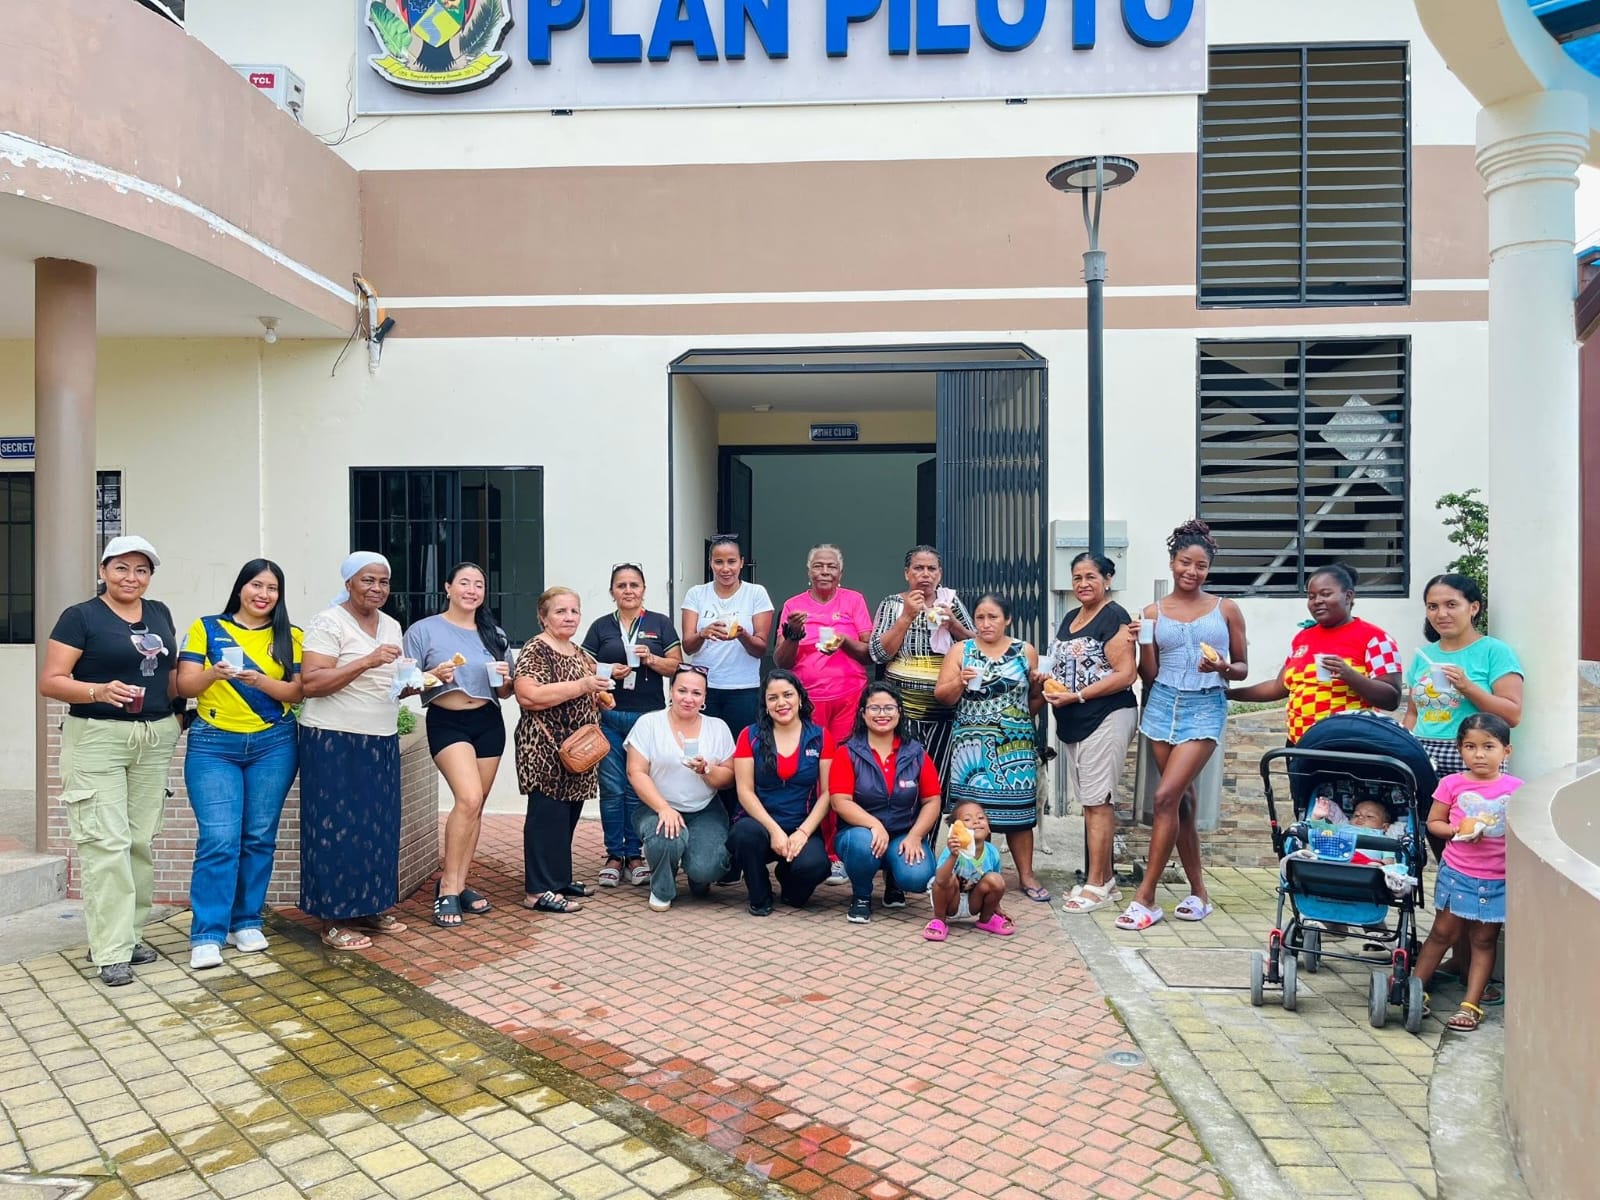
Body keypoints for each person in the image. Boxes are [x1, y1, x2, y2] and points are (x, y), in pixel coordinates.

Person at [39, 536, 182, 987]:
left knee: (139, 840)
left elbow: (171, 675)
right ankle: (111, 950)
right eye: (121, 568)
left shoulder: (159, 613)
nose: (131, 578)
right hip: (97, 736)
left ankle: (130, 935)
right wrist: (97, 691)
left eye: (141, 570)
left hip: (153, 737)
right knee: (106, 842)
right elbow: (51, 681)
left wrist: (178, 716)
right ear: (103, 571)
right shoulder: (80, 616)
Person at [1117, 520, 1248, 932]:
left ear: (1208, 569)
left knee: (1165, 797)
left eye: (1201, 566)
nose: (1192, 571)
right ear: (1172, 563)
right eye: (1185, 563)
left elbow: (1242, 668)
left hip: (1205, 705)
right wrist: (1143, 641)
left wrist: (1223, 666)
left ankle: (1146, 898)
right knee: (1182, 802)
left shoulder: (1226, 609)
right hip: (1161, 705)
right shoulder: (1152, 612)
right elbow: (1149, 675)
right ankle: (1199, 892)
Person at [176, 559, 303, 969]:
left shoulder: (292, 636)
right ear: (240, 588)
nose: (263, 594)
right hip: (213, 744)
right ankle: (207, 933)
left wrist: (259, 681)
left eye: (272, 588)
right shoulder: (206, 627)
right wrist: (214, 674)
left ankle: (246, 920)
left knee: (259, 837)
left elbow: (297, 692)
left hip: (274, 743)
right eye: (256, 585)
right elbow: (184, 684)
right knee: (219, 839)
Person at [298, 552, 413, 951]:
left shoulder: (392, 625)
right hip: (333, 738)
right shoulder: (328, 622)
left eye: (383, 581)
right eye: (368, 580)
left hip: (380, 736)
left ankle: (368, 906)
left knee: (376, 826)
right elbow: (312, 683)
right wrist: (367, 660)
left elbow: (390, 685)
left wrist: (422, 681)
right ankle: (332, 918)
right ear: (348, 583)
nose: (377, 588)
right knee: (334, 828)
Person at [404, 562, 514, 929]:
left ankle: (460, 882)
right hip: (447, 720)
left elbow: (506, 692)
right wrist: (432, 676)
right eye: (464, 583)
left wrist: (505, 681)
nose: (471, 590)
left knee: (475, 807)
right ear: (448, 588)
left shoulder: (494, 634)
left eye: (478, 584)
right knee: (467, 798)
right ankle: (447, 888)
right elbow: (404, 685)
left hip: (488, 722)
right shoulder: (423, 630)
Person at [1041, 553, 1139, 915]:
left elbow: (1126, 673)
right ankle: (1106, 880)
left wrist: (1078, 695)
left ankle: (1096, 885)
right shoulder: (1071, 617)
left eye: (1091, 577)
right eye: (1077, 577)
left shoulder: (1114, 617)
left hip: (1106, 714)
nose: (1083, 584)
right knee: (1091, 802)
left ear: (1108, 579)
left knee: (1098, 802)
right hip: (1073, 718)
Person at [934, 594, 1049, 902]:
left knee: (1019, 816)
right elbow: (942, 696)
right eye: (980, 618)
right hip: (970, 749)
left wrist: (1038, 687)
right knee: (969, 815)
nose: (986, 624)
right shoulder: (962, 650)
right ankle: (964, 873)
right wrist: (959, 681)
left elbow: (1033, 702)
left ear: (1007, 619)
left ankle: (1026, 875)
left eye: (993, 617)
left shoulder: (1025, 651)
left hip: (1015, 745)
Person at [1414, 715, 1519, 1032]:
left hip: (1498, 878)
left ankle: (1470, 1004)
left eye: (1488, 747)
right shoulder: (1451, 784)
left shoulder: (1517, 790)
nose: (1479, 754)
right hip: (1458, 873)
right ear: (1460, 749)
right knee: (1442, 933)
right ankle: (1415, 988)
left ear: (1506, 751)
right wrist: (1455, 830)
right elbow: (1434, 823)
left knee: (1483, 939)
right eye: (1470, 747)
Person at [777, 543, 875, 884]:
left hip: (849, 699)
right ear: (808, 571)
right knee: (813, 774)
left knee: (842, 773)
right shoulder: (793, 606)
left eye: (831, 566)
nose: (825, 572)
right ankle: (818, 848)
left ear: (840, 572)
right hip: (808, 702)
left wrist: (843, 641)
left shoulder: (854, 601)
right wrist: (792, 634)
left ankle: (841, 851)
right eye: (818, 566)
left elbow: (868, 653)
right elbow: (781, 662)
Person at [583, 564, 682, 889]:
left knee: (636, 788)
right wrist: (608, 671)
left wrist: (652, 659)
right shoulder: (601, 626)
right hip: (610, 717)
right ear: (612, 591)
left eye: (634, 584)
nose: (628, 590)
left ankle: (635, 855)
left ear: (644, 589)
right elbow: (583, 666)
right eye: (621, 585)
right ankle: (614, 855)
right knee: (612, 788)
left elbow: (677, 666)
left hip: (647, 719)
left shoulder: (660, 623)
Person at [514, 587, 610, 914]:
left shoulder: (576, 650)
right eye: (560, 611)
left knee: (566, 815)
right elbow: (527, 695)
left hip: (578, 750)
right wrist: (583, 686)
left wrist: (598, 695)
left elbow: (585, 687)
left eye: (574, 611)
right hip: (546, 748)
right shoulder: (536, 649)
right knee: (546, 818)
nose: (569, 617)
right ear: (543, 617)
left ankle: (558, 879)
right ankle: (537, 891)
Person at [1228, 564, 1402, 744]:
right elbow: (1278, 687)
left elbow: (1391, 699)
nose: (1317, 601)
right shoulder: (1303, 638)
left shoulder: (1375, 638)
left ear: (1348, 596)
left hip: (1346, 746)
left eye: (1325, 594)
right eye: (1311, 596)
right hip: (1298, 744)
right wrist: (1230, 694)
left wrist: (1349, 675)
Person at [829, 683, 944, 924]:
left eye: (889, 708)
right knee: (862, 843)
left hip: (903, 834)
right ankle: (862, 896)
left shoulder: (916, 753)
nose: (882, 714)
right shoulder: (848, 752)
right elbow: (840, 801)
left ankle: (895, 881)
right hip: (860, 833)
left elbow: (932, 800)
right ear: (863, 713)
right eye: (875, 708)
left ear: (899, 712)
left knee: (917, 877)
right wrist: (874, 825)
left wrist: (915, 835)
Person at [625, 666, 737, 912]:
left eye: (696, 693)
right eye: (682, 691)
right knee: (666, 838)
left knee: (707, 868)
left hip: (704, 809)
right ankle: (662, 888)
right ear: (671, 691)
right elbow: (636, 772)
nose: (688, 698)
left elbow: (729, 777)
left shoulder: (718, 727)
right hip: (657, 806)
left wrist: (706, 770)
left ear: (705, 697)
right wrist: (663, 808)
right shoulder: (649, 723)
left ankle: (697, 875)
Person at [728, 669, 835, 916]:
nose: (781, 703)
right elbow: (744, 791)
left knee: (815, 868)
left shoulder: (820, 737)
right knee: (744, 834)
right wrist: (774, 830)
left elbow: (828, 793)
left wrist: (803, 833)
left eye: (787, 695)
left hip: (801, 826)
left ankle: (787, 876)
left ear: (800, 698)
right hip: (759, 825)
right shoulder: (749, 735)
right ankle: (759, 892)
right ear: (765, 704)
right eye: (773, 698)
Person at [681, 535, 774, 817]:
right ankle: (708, 816)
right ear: (710, 564)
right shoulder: (697, 594)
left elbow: (760, 649)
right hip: (704, 688)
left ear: (742, 563)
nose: (725, 568)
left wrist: (742, 634)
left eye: (731, 561)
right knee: (706, 752)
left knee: (739, 756)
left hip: (742, 689)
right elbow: (688, 646)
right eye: (718, 562)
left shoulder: (755, 593)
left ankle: (739, 817)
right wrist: (703, 633)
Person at [867, 545, 975, 775]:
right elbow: (878, 654)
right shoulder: (893, 604)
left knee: (937, 776)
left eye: (931, 569)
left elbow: (979, 649)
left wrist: (953, 625)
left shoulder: (950, 603)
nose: (925, 574)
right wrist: (906, 617)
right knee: (903, 775)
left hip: (944, 713)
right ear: (907, 573)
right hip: (901, 712)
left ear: (940, 574)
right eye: (918, 568)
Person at [1402, 573, 1523, 777]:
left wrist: (1467, 687)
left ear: (1473, 608)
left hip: (1477, 754)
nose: (1441, 614)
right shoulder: (1423, 656)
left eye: (1451, 605)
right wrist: (1405, 746)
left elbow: (1512, 715)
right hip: (1423, 754)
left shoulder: (1494, 651)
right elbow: (1413, 714)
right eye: (1432, 606)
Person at [924, 798, 1012, 941]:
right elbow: (940, 880)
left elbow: (995, 886)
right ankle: (939, 920)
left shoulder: (992, 852)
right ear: (955, 829)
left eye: (981, 818)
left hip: (974, 902)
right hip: (950, 901)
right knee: (948, 878)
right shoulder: (952, 851)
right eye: (967, 819)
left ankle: (986, 918)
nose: (976, 821)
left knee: (996, 879)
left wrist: (997, 907)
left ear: (989, 828)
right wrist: (953, 855)